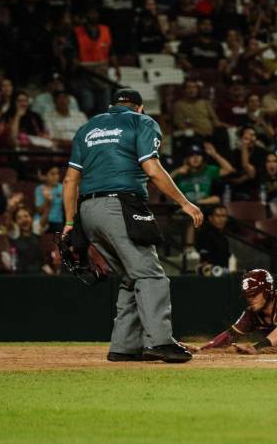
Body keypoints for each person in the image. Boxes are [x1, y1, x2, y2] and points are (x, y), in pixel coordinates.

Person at [63, 88, 203, 364]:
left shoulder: (87, 128)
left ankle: (124, 345)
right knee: (151, 275)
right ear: (139, 107)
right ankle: (160, 342)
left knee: (131, 276)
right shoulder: (142, 122)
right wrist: (184, 203)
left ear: (112, 105)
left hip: (88, 210)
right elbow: (151, 168)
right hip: (120, 205)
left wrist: (70, 222)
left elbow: (70, 180)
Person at [8, 206, 53, 275]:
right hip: (20, 274)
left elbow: (44, 218)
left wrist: (49, 202)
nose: (23, 219)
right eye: (19, 218)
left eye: (26, 216)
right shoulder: (14, 235)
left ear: (31, 218)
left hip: (38, 273)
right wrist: (10, 209)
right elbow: (7, 222)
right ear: (16, 222)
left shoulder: (37, 232)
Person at [195, 204, 231, 270]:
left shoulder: (224, 238)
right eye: (218, 216)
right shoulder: (204, 234)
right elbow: (203, 257)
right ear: (210, 218)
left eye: (223, 216)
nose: (221, 219)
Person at [34, 165, 64, 233]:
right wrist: (48, 201)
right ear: (45, 176)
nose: (56, 177)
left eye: (57, 173)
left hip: (57, 222)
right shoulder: (39, 189)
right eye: (52, 174)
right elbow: (39, 211)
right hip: (41, 221)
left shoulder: (62, 188)